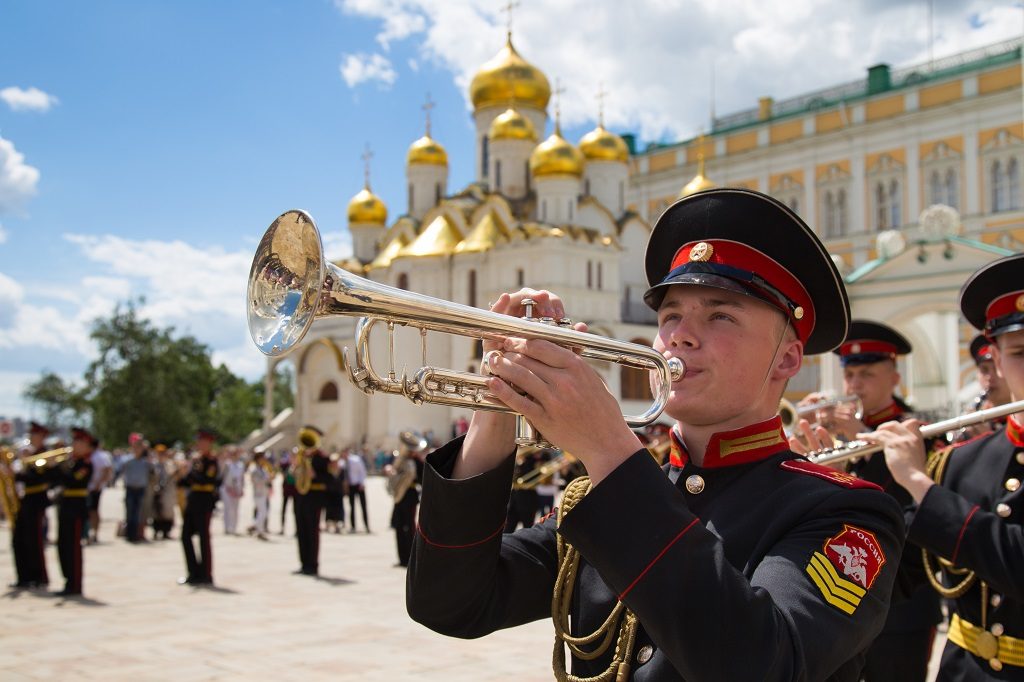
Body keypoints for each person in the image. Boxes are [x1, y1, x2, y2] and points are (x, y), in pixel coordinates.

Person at [405, 188, 906, 680]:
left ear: (787, 359)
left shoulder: (846, 512)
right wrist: (500, 399)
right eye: (670, 316)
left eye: (720, 315)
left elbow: (766, 664)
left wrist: (608, 446)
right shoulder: (607, 495)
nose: (679, 335)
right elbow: (450, 603)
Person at [859, 253, 1024, 679]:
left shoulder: (935, 473)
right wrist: (815, 484)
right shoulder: (961, 461)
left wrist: (919, 483)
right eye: (1020, 352)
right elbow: (897, 575)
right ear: (996, 360)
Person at [799, 321, 942, 682]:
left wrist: (863, 438)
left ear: (894, 377)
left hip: (903, 603)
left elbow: (915, 504)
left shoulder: (918, 432)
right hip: (842, 594)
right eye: (849, 375)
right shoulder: (835, 433)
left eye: (867, 374)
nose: (855, 385)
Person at [51, 427, 96, 597]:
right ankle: (67, 581)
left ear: (86, 445)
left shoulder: (86, 464)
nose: (74, 445)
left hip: (76, 508)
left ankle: (75, 584)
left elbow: (71, 481)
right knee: (63, 546)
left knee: (73, 548)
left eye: (78, 442)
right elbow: (55, 480)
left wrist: (58, 466)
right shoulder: (71, 462)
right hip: (65, 506)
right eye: (74, 441)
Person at [8, 421, 51, 589]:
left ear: (41, 436)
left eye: (34, 434)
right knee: (19, 539)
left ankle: (38, 576)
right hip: (25, 500)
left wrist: (17, 473)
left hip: (36, 500)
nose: (31, 437)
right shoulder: (30, 454)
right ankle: (23, 576)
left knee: (34, 540)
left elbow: (37, 477)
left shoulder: (44, 455)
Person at [179, 428, 221, 586]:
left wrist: (192, 473)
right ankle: (193, 572)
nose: (199, 444)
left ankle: (206, 574)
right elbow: (185, 482)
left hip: (204, 501)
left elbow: (207, 480)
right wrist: (183, 473)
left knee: (204, 538)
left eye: (202, 441)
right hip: (192, 500)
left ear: (209, 443)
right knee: (185, 536)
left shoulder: (211, 461)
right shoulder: (196, 460)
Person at [386, 431, 426, 568]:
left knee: (409, 527)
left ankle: (411, 557)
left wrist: (418, 461)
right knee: (398, 526)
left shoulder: (417, 462)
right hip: (399, 496)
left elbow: (422, 479)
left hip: (410, 496)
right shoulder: (399, 459)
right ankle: (402, 558)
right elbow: (393, 474)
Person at [294, 426, 329, 576]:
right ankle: (303, 563)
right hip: (301, 496)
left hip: (315, 497)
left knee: (312, 531)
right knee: (301, 530)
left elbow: (329, 480)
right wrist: (295, 469)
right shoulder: (301, 456)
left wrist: (315, 475)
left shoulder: (323, 458)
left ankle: (313, 565)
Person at [121, 435, 153, 543]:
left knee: (138, 512)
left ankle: (135, 533)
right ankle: (129, 533)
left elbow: (152, 472)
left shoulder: (146, 462)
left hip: (141, 489)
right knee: (130, 511)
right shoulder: (127, 460)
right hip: (130, 488)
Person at [85, 438, 113, 544]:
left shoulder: (100, 456)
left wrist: (99, 484)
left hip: (94, 488)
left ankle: (95, 533)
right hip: (88, 488)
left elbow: (107, 470)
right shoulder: (90, 455)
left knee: (93, 511)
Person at [151, 445, 177, 540]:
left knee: (167, 512)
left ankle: (166, 531)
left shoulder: (170, 464)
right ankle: (156, 530)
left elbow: (173, 475)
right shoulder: (154, 464)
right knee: (156, 512)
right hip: (156, 491)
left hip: (167, 491)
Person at [247, 450, 271, 540]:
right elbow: (256, 481)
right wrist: (267, 479)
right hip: (258, 493)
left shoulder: (263, 468)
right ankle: (259, 530)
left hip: (263, 493)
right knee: (262, 513)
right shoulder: (254, 469)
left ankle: (255, 527)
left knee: (263, 513)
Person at [220, 447, 244, 536]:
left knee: (235, 509)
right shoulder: (227, 464)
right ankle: (227, 527)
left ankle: (234, 527)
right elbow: (222, 476)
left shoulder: (241, 465)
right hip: (227, 488)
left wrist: (241, 488)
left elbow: (242, 478)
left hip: (237, 489)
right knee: (227, 509)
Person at [346, 448, 370, 533]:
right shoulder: (343, 462)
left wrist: (362, 483)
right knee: (351, 506)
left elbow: (362, 471)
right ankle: (353, 526)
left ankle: (367, 526)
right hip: (351, 486)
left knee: (363, 506)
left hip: (359, 485)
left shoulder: (355, 460)